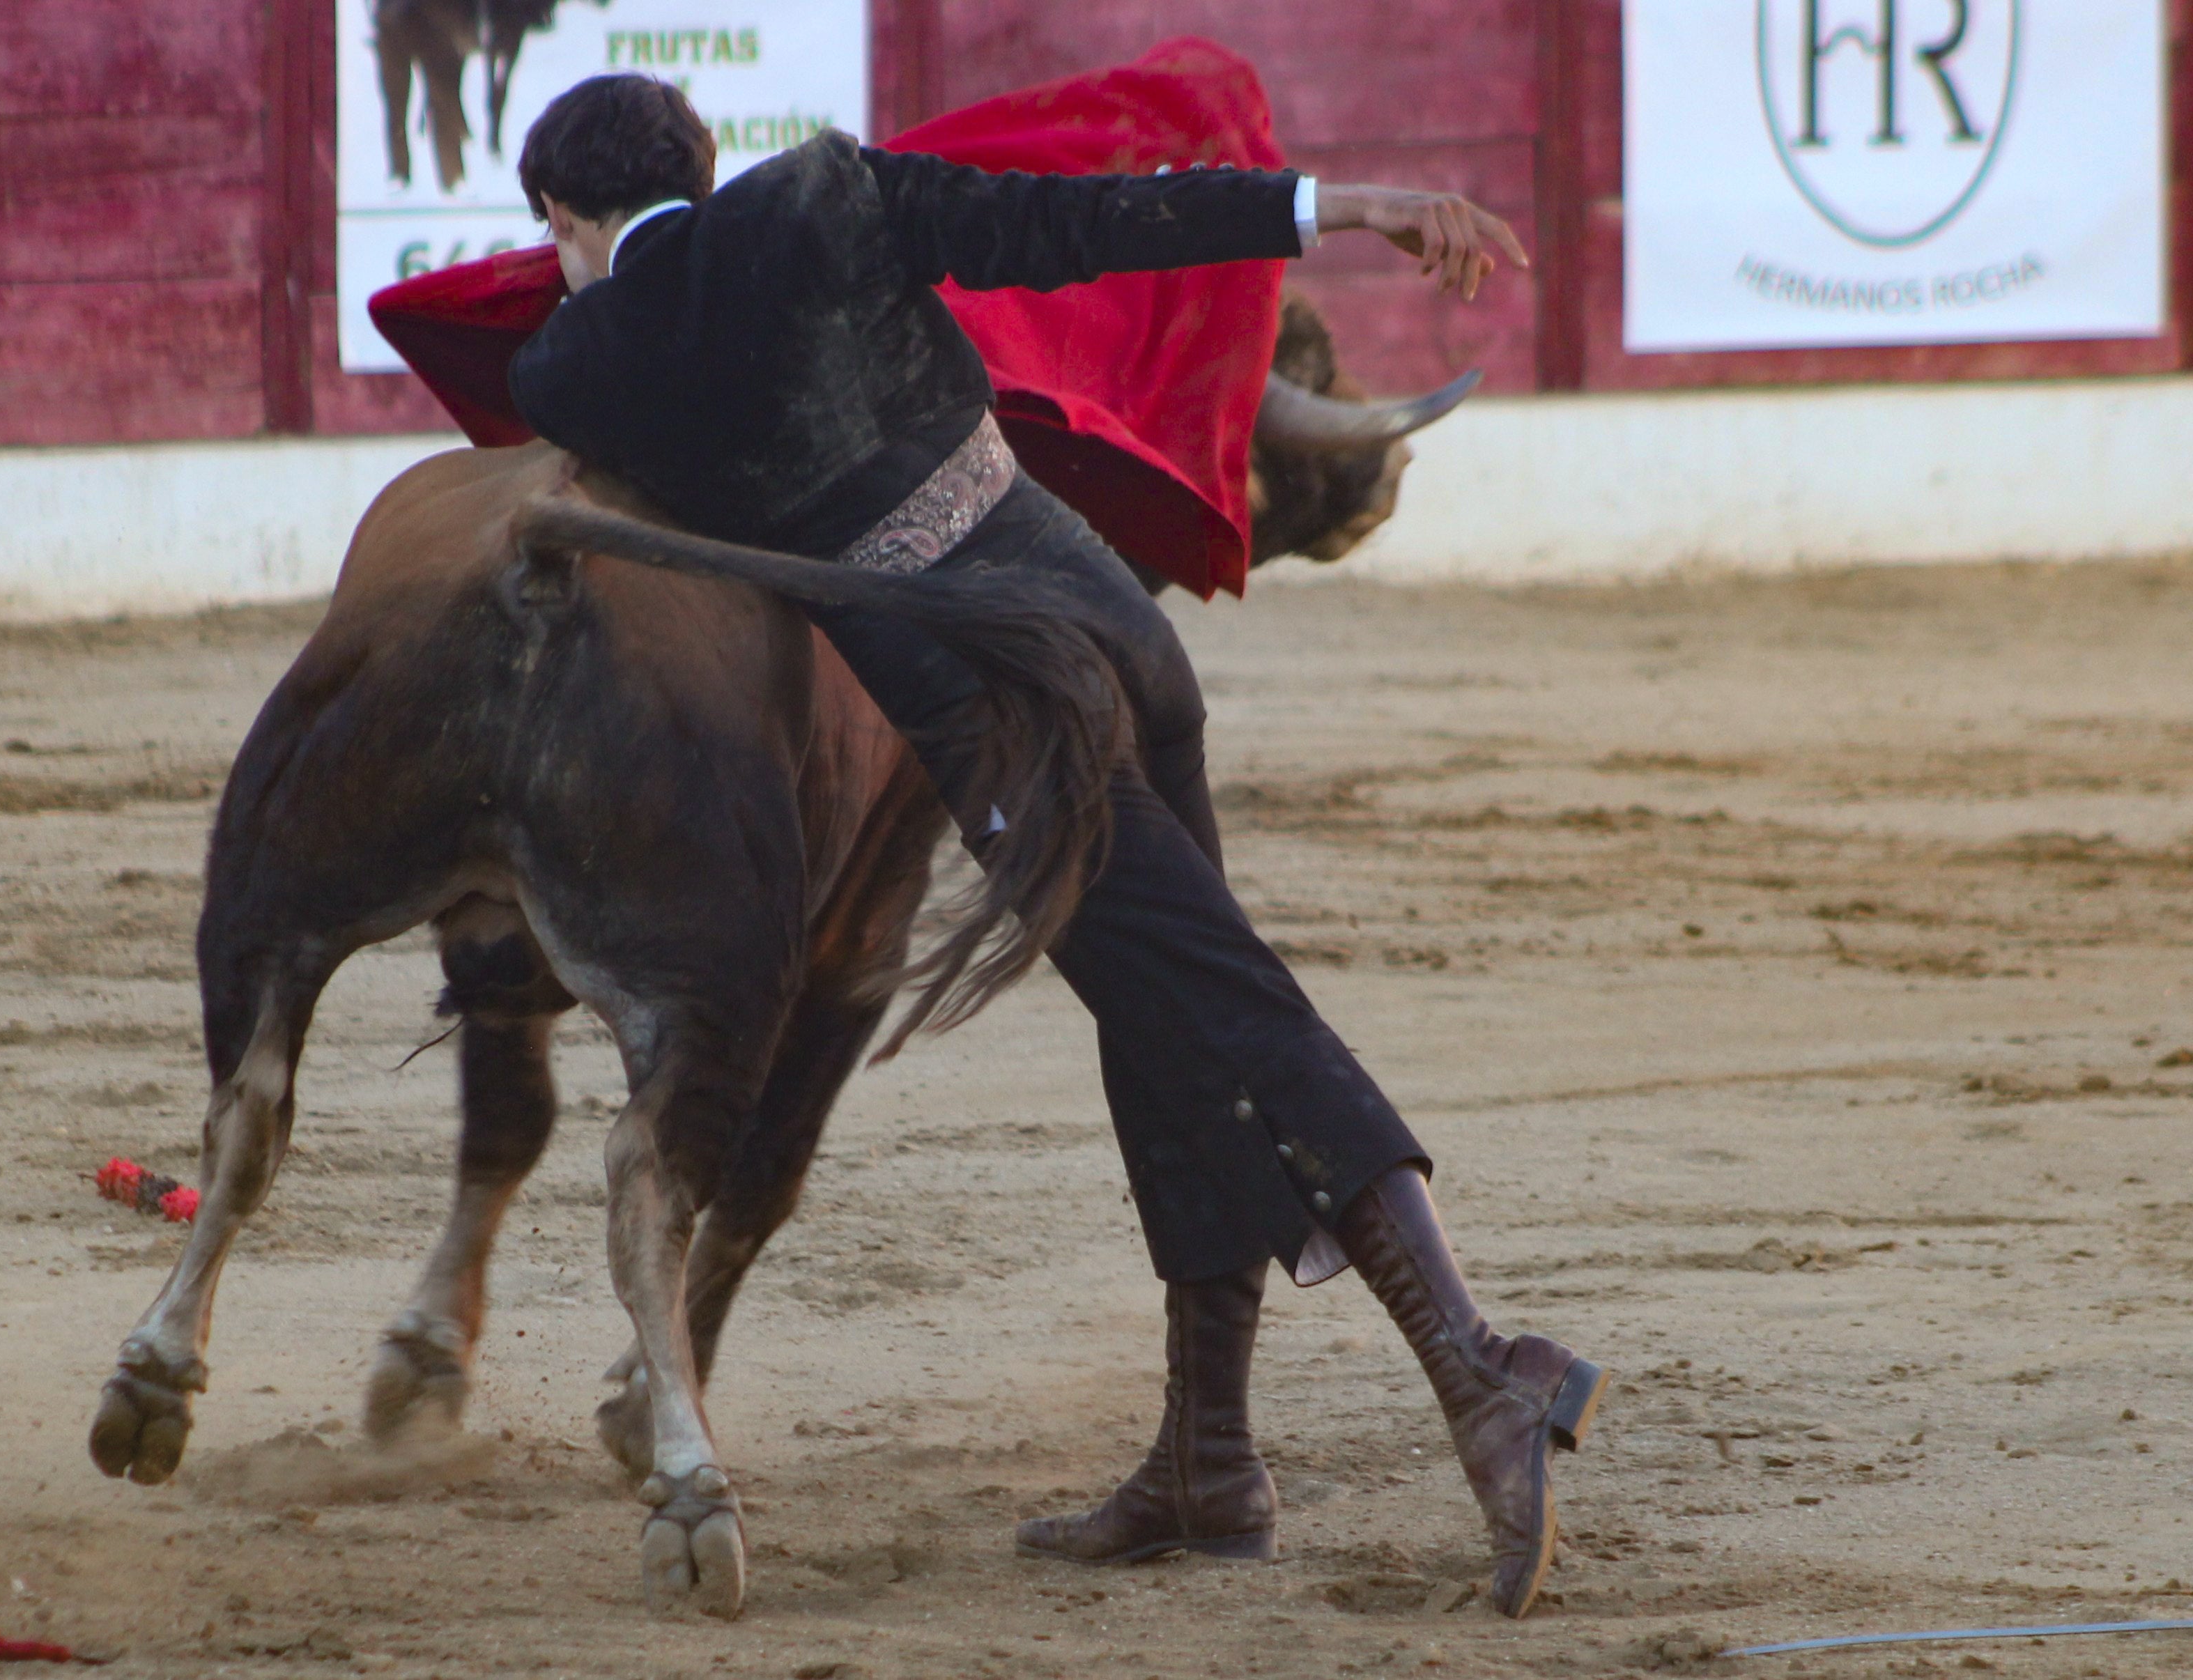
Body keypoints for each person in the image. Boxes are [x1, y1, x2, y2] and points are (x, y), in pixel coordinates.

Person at [506, 72, 1607, 1617]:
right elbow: (1090, 222)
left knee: (1221, 1014)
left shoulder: (576, 360)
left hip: (999, 705)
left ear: (563, 217)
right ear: (700, 161)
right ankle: (1207, 1459)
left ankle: (1480, 1369)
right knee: (1171, 1033)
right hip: (1110, 624)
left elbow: (622, 478)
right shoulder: (829, 195)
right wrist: (1342, 205)